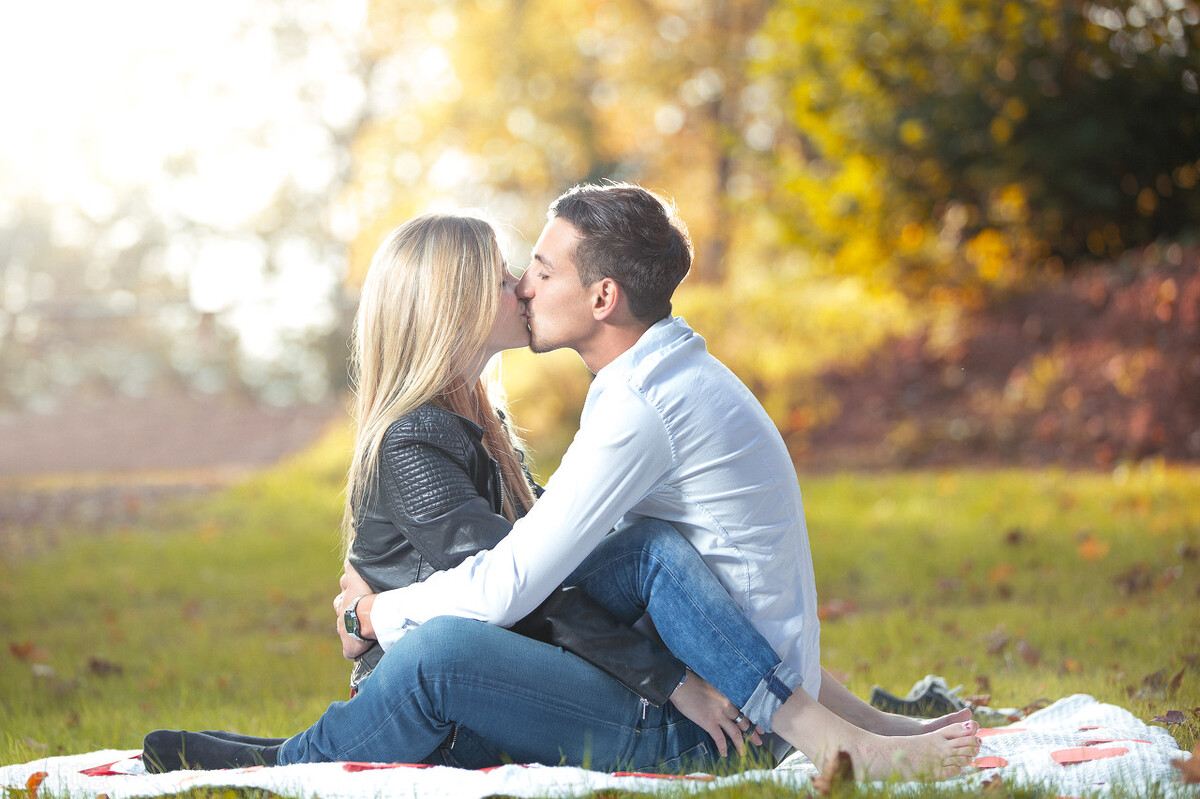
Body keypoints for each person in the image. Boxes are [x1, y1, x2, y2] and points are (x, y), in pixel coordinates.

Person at [146, 188, 980, 780]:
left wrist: (373, 611)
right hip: (462, 672)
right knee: (446, 645)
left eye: (536, 270)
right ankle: (293, 761)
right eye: (506, 274)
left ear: (603, 296)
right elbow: (520, 589)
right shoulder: (423, 437)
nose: (521, 286)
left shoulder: (545, 417)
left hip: (566, 673)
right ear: (452, 305)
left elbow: (540, 577)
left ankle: (830, 730)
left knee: (637, 551)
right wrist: (673, 678)